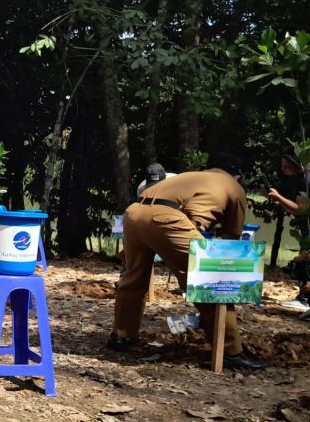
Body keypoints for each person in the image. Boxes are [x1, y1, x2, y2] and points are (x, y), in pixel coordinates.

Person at [110, 152, 268, 370]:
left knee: (134, 276)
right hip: (166, 218)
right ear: (238, 175)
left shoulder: (189, 177)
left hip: (134, 213)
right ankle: (231, 351)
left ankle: (121, 335)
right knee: (210, 282)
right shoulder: (234, 187)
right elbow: (230, 241)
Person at [267, 155, 310, 313]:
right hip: (304, 226)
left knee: (305, 260)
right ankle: (303, 297)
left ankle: (305, 299)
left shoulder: (306, 180)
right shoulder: (297, 180)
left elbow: (300, 209)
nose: (282, 169)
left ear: (296, 165)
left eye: (285, 166)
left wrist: (278, 197)